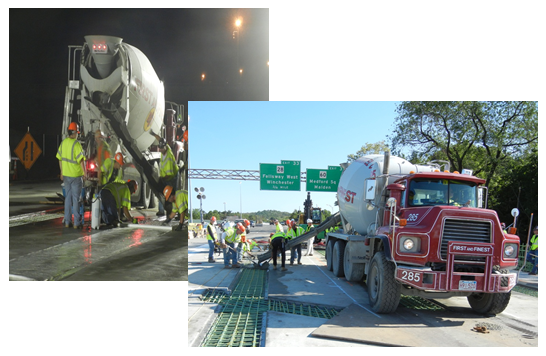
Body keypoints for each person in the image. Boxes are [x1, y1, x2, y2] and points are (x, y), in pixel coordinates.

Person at [56, 122, 86, 229]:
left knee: (67, 199)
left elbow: (60, 158)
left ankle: (68, 221)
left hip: (66, 176)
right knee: (76, 199)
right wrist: (85, 173)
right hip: (76, 176)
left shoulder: (63, 143)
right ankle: (77, 223)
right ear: (75, 133)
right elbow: (81, 160)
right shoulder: (76, 144)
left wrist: (62, 172)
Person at [150, 131, 178, 217]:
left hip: (171, 178)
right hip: (165, 177)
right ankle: (161, 211)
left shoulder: (169, 157)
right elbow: (161, 139)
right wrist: (154, 134)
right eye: (160, 148)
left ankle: (173, 212)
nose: (160, 150)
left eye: (161, 148)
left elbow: (169, 175)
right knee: (162, 192)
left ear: (165, 147)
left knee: (170, 196)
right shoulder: (167, 148)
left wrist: (161, 179)